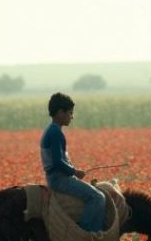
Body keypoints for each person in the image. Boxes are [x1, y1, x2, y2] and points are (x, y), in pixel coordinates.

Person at [40, 92, 105, 232]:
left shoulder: (51, 130)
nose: (72, 116)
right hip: (58, 179)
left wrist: (73, 172)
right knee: (98, 197)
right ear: (60, 113)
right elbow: (57, 162)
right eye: (70, 113)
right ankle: (87, 233)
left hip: (57, 177)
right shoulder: (55, 133)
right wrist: (74, 172)